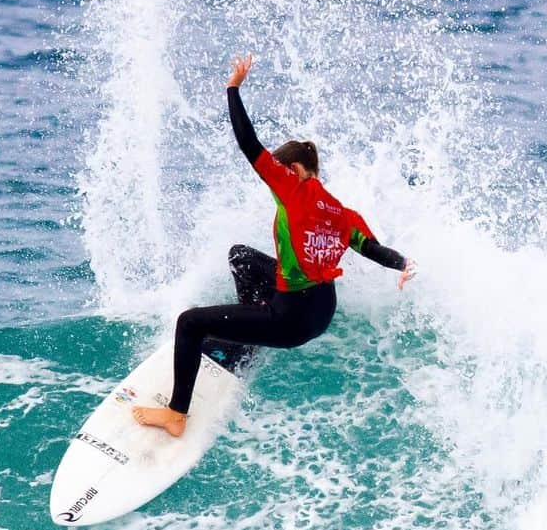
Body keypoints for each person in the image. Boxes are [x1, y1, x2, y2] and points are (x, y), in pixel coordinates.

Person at [132, 54, 415, 437]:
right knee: (241, 258)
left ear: (295, 172)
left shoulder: (291, 188)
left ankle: (176, 414)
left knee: (190, 323)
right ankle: (249, 338)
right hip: (322, 309)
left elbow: (248, 142)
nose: (274, 181)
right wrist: (404, 265)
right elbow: (374, 250)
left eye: (280, 173)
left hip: (291, 321)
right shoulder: (343, 214)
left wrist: (233, 88)